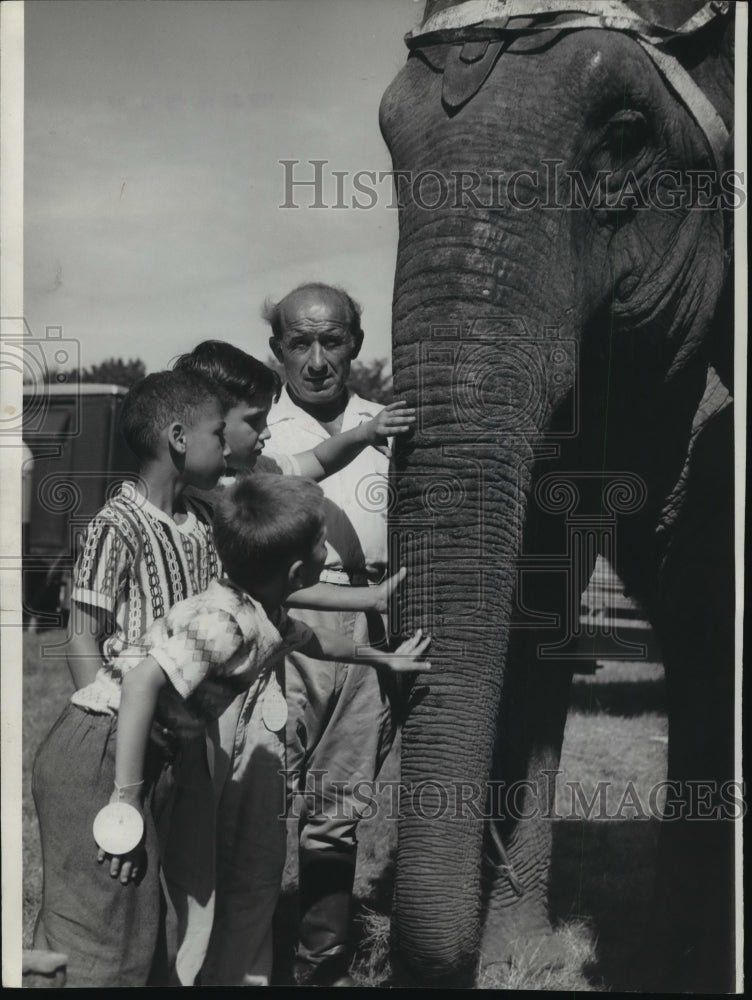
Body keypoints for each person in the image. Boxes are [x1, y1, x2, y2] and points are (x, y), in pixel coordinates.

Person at [93, 475, 431, 986]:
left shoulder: (259, 606)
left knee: (205, 884)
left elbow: (310, 639)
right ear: (300, 571)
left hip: (163, 751)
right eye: (323, 543)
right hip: (120, 748)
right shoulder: (229, 623)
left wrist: (377, 655)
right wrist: (126, 797)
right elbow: (141, 680)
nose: (328, 549)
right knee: (179, 893)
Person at [170, 340, 414, 985]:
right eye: (249, 422)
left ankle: (265, 968)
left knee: (256, 849)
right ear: (207, 425)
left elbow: (285, 607)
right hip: (200, 711)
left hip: (247, 699)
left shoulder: (241, 483)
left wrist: (369, 623)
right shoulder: (214, 501)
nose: (261, 435)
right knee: (202, 860)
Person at [31, 370, 228, 987]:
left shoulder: (202, 521)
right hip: (121, 742)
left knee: (157, 909)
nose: (226, 447)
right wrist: (118, 740)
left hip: (179, 743)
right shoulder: (116, 524)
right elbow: (82, 634)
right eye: (217, 434)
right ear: (176, 436)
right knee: (104, 912)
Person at [261, 281, 404, 985]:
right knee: (258, 793)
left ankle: (320, 964)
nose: (317, 360)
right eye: (300, 343)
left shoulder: (389, 422)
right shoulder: (254, 434)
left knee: (337, 807)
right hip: (280, 622)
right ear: (277, 351)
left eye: (332, 341)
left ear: (356, 344)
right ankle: (244, 956)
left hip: (371, 618)